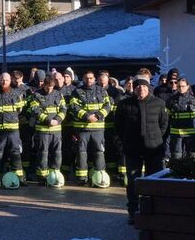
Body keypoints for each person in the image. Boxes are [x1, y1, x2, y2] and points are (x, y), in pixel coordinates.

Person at [116, 77, 169, 224]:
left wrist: (156, 140)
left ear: (149, 88)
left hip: (154, 149)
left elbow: (164, 125)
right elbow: (118, 127)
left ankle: (155, 210)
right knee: (133, 182)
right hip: (133, 149)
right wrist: (127, 140)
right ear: (134, 88)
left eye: (144, 87)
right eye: (138, 87)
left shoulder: (159, 103)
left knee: (155, 181)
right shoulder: (124, 104)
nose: (141, 89)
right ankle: (133, 211)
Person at [67, 71, 111, 185]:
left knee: (99, 152)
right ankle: (82, 178)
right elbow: (73, 106)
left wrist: (97, 116)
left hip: (98, 129)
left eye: (91, 78)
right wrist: (87, 116)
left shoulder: (102, 91)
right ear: (83, 78)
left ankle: (99, 176)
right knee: (81, 153)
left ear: (94, 79)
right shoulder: (77, 92)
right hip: (82, 129)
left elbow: (108, 105)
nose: (89, 80)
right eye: (86, 78)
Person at [0, 73, 27, 186]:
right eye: (2, 80)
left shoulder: (16, 93)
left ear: (10, 80)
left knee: (15, 153)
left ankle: (19, 178)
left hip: (13, 130)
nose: (4, 82)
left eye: (6, 80)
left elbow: (20, 110)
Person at [27, 77, 67, 183]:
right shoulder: (36, 95)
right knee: (42, 154)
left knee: (57, 153)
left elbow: (64, 109)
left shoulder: (58, 94)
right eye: (47, 87)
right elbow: (35, 110)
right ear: (43, 84)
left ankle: (55, 174)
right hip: (42, 130)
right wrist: (48, 120)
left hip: (56, 130)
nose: (49, 89)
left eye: (51, 87)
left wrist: (57, 120)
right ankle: (42, 177)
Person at [166, 78, 194, 160]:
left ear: (188, 86)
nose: (181, 88)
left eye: (183, 86)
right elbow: (167, 117)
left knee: (192, 158)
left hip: (191, 135)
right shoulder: (171, 100)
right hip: (176, 134)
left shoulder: (193, 100)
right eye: (179, 86)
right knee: (176, 158)